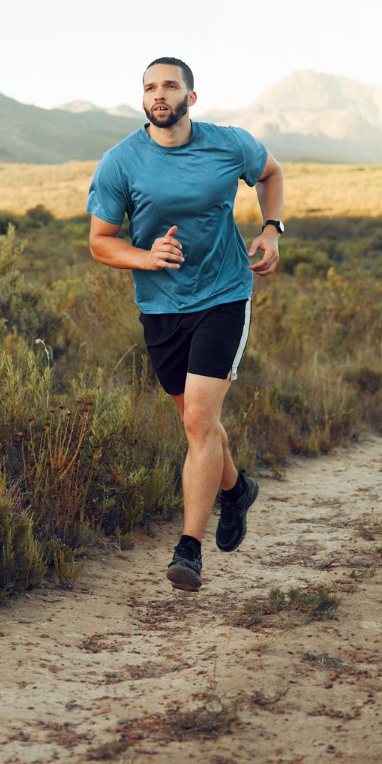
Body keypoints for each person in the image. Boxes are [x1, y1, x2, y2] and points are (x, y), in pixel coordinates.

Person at [85, 56, 285, 591]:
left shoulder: (228, 144)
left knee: (198, 421)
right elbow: (100, 242)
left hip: (223, 294)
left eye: (170, 86)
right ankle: (236, 489)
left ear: (189, 98)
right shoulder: (120, 162)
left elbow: (270, 173)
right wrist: (146, 258)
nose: (159, 94)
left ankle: (189, 549)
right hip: (160, 307)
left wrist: (271, 228)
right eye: (150, 86)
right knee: (197, 422)